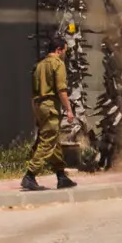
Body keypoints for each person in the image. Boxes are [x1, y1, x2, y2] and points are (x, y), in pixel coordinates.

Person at [22, 28, 78, 192]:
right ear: (58, 50)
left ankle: (61, 176)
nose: (64, 55)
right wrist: (69, 109)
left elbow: (33, 94)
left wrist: (36, 113)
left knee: (53, 141)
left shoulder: (39, 66)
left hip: (40, 106)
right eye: (64, 52)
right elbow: (61, 90)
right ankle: (30, 175)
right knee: (48, 141)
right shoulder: (57, 64)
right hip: (51, 106)